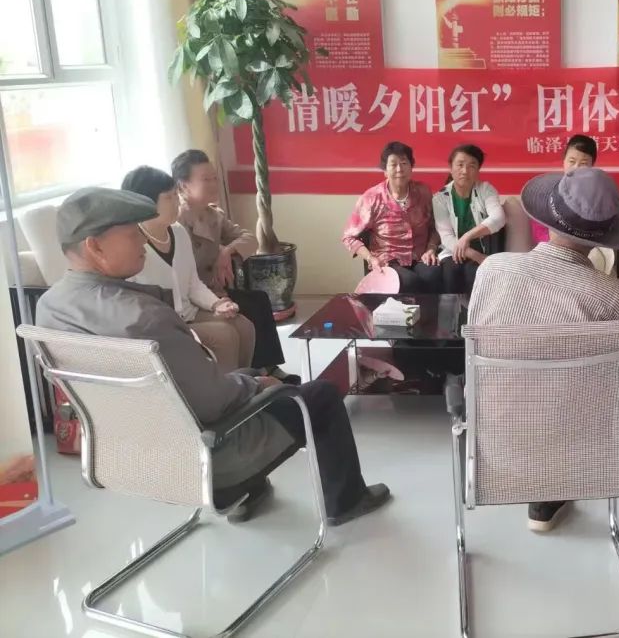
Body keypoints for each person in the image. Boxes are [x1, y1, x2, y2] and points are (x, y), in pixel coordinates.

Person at [34, 187, 391, 524]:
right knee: (319, 395)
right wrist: (257, 385)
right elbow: (213, 403)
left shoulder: (49, 308)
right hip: (206, 458)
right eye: (131, 234)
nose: (142, 240)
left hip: (127, 456)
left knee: (247, 375)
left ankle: (251, 491)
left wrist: (246, 380)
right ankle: (347, 501)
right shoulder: (143, 319)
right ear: (95, 246)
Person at [468, 167, 619, 533]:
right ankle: (551, 492)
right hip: (581, 445)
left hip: (498, 439)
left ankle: (542, 495)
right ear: (604, 237)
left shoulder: (492, 271)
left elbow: (476, 348)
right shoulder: (612, 295)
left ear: (545, 219)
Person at [172, 150, 291, 381]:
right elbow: (185, 278)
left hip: (215, 288)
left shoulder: (213, 215)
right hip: (197, 296)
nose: (213, 184)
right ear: (183, 185)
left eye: (214, 178)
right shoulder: (177, 222)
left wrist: (226, 252)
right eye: (205, 179)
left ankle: (267, 367)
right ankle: (247, 376)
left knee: (258, 300)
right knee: (245, 312)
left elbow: (249, 238)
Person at [122, 166, 256, 372]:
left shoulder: (178, 232)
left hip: (189, 312)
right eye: (169, 197)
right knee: (224, 336)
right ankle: (224, 388)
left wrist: (216, 303)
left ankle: (244, 379)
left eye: (176, 194)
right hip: (163, 324)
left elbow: (193, 283)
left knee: (243, 326)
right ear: (144, 202)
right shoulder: (133, 245)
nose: (177, 201)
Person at [342, 141, 442, 294]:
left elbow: (435, 226)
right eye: (393, 164)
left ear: (411, 167)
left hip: (420, 257)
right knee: (409, 282)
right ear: (385, 170)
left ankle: (433, 311)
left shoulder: (423, 192)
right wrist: (370, 258)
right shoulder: (372, 198)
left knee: (434, 274)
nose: (399, 169)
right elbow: (348, 237)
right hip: (388, 262)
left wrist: (431, 249)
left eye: (404, 163)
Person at [432, 144, 506, 294]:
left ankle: (477, 310)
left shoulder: (485, 189)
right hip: (453, 251)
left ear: (478, 170)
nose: (465, 171)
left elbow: (499, 218)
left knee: (475, 273)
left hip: (484, 249)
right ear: (451, 168)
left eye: (472, 166)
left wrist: (467, 236)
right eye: (460, 165)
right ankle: (451, 310)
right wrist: (475, 255)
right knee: (451, 272)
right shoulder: (440, 198)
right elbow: (446, 237)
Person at [530, 135, 597, 245]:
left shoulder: (599, 193)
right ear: (564, 161)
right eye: (572, 161)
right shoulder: (547, 193)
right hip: (552, 247)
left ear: (592, 166)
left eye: (583, 164)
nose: (576, 167)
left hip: (587, 247)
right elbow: (539, 231)